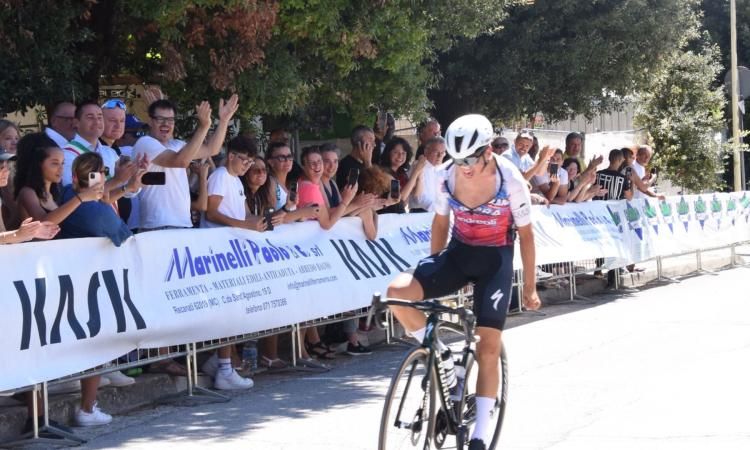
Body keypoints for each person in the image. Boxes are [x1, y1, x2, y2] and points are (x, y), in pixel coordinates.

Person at [387, 114, 541, 450]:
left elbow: (527, 237)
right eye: (458, 160)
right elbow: (441, 224)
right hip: (459, 253)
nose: (465, 167)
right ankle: (438, 351)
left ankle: (481, 435)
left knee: (487, 347)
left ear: (487, 151)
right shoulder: (447, 176)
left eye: (470, 159)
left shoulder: (510, 179)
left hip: (495, 260)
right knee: (396, 293)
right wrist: (433, 271)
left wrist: (528, 287)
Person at [133, 95, 237, 232]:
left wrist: (224, 121)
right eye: (160, 119)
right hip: (157, 227)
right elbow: (180, 161)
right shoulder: (145, 143)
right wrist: (204, 126)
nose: (166, 124)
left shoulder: (177, 145)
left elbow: (212, 149)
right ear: (150, 121)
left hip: (183, 224)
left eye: (170, 120)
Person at [266, 141, 319, 223]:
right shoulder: (270, 182)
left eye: (289, 156)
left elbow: (289, 216)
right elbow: (269, 219)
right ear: (271, 162)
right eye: (282, 157)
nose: (287, 160)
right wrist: (302, 212)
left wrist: (303, 214)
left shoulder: (289, 184)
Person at [378, 137, 422, 214]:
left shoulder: (402, 173)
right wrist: (415, 172)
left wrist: (419, 174)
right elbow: (399, 198)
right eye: (396, 152)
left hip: (399, 215)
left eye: (403, 153)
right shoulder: (383, 172)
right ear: (388, 153)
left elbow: (416, 194)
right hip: (385, 216)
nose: (400, 156)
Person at [407, 136, 446, 212]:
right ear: (426, 151)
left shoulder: (442, 169)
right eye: (436, 152)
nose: (440, 156)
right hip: (420, 212)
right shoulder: (418, 166)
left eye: (442, 153)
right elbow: (418, 199)